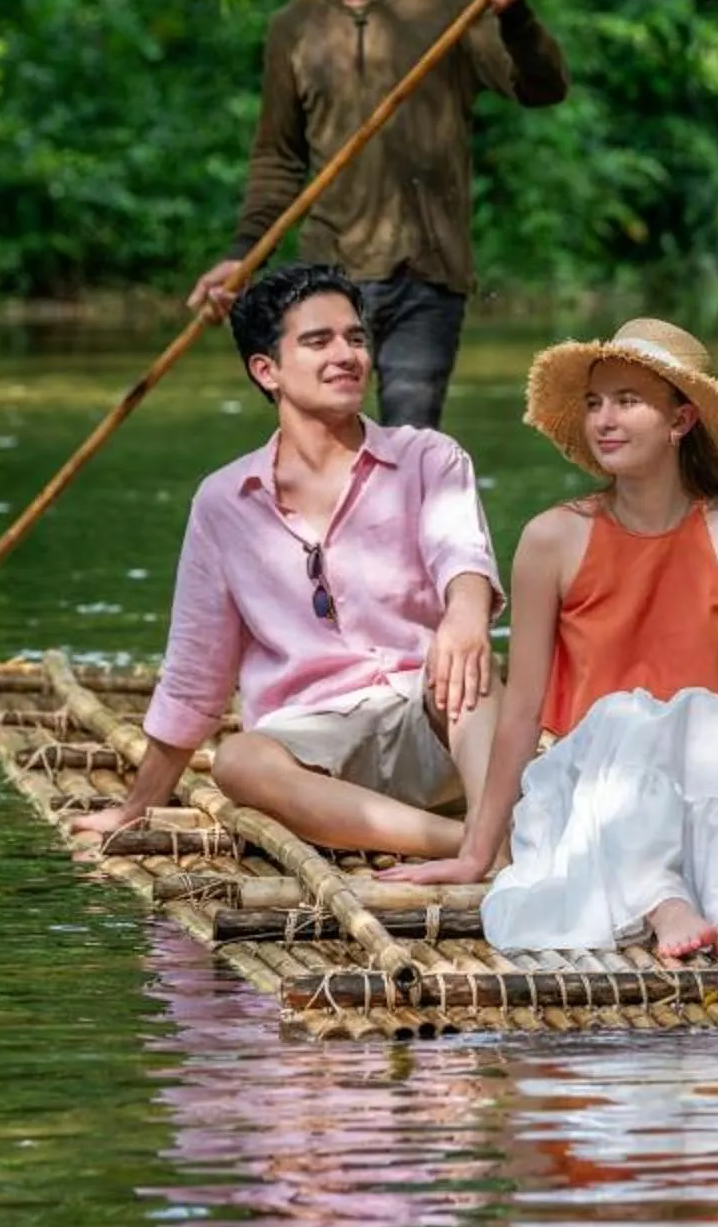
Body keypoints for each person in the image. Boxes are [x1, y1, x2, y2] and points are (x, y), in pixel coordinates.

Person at [390, 318, 718, 964]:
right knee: (626, 715)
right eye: (594, 403)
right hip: (596, 791)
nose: (604, 420)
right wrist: (476, 852)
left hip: (709, 791)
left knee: (704, 716)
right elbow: (521, 709)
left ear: (681, 420)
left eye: (628, 401)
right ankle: (663, 900)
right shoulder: (552, 539)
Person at [69, 262, 502, 872]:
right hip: (313, 754)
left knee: (466, 665)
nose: (346, 355)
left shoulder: (428, 457)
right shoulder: (224, 501)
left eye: (355, 338)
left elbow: (463, 557)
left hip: (430, 718)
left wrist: (466, 614)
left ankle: (488, 827)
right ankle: (472, 845)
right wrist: (137, 807)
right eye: (318, 341)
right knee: (238, 761)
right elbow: (196, 674)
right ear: (266, 370)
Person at [188, 0, 570, 427]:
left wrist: (515, 15)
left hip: (428, 268)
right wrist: (242, 256)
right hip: (329, 271)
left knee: (410, 437)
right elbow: (278, 159)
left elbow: (542, 88)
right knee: (324, 432)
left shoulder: (451, 2)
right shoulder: (294, 26)